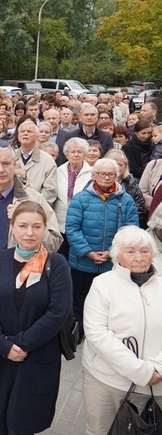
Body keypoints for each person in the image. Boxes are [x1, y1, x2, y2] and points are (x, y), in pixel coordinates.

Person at [0, 201, 71, 434]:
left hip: (35, 354)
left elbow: (58, 312)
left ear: (45, 229)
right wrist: (3, 345)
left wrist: (22, 343)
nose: (29, 232)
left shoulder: (56, 264)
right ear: (12, 227)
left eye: (37, 226)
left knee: (24, 422)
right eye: (23, 225)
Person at [82, 226, 162, 435]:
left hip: (157, 383)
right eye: (131, 251)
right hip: (108, 382)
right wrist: (141, 371)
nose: (139, 257)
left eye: (144, 251)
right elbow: (97, 334)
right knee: (101, 430)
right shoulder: (102, 285)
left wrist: (157, 367)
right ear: (118, 256)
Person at [65, 158, 139, 338]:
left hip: (112, 263)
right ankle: (79, 333)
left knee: (109, 301)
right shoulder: (81, 198)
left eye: (111, 174)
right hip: (82, 262)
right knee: (79, 301)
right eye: (102, 173)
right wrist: (88, 252)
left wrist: (112, 252)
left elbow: (131, 230)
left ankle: (103, 336)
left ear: (117, 175)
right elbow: (72, 228)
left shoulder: (126, 200)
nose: (106, 177)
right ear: (94, 175)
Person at [105, 149, 148, 228]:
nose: (117, 167)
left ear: (125, 166)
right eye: (114, 164)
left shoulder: (132, 184)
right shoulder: (94, 183)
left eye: (120, 165)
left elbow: (139, 210)